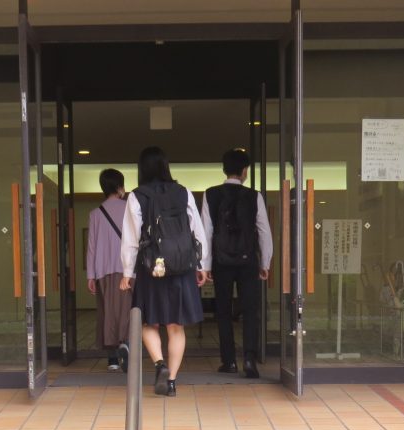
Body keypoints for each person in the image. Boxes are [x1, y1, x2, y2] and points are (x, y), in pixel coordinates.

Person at [120, 147, 210, 397]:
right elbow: (197, 230)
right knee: (175, 326)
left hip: (151, 268)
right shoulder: (183, 193)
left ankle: (160, 364)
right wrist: (201, 264)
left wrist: (127, 272)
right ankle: (171, 382)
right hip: (181, 267)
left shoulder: (137, 196)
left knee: (148, 322)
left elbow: (131, 238)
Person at [200, 148, 273, 379]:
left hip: (221, 261)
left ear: (224, 169)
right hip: (248, 260)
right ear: (244, 171)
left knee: (223, 311)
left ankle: (229, 361)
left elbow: (206, 232)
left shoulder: (211, 194)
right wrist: (265, 262)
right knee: (250, 310)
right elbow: (264, 231)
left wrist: (205, 265)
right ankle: (249, 359)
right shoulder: (254, 196)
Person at [86, 168, 131, 371]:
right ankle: (127, 347)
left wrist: (90, 275)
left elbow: (92, 247)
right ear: (120, 186)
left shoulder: (95, 214)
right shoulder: (130, 209)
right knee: (128, 311)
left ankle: (112, 359)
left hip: (103, 270)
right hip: (129, 269)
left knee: (107, 312)